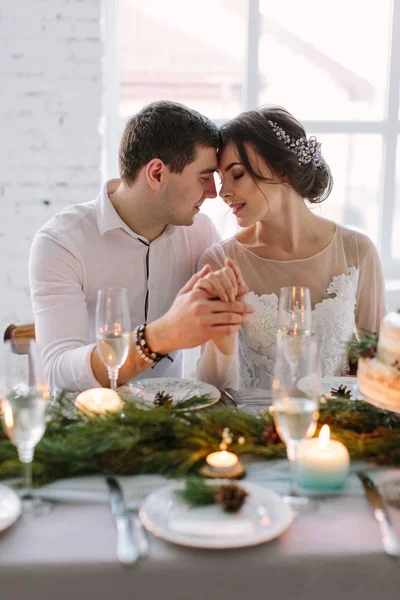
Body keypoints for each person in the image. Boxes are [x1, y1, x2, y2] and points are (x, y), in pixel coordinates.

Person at [29, 101, 252, 392]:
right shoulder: (61, 243)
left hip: (174, 416)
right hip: (89, 425)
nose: (214, 192)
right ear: (157, 173)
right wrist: (158, 337)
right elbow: (58, 371)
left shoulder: (202, 233)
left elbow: (217, 362)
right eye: (204, 176)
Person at [196, 105, 386, 390]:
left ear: (284, 171)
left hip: (335, 429)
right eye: (221, 180)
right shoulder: (221, 262)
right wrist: (222, 337)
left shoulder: (358, 251)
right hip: (250, 430)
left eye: (236, 175)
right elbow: (213, 388)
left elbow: (383, 365)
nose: (222, 193)